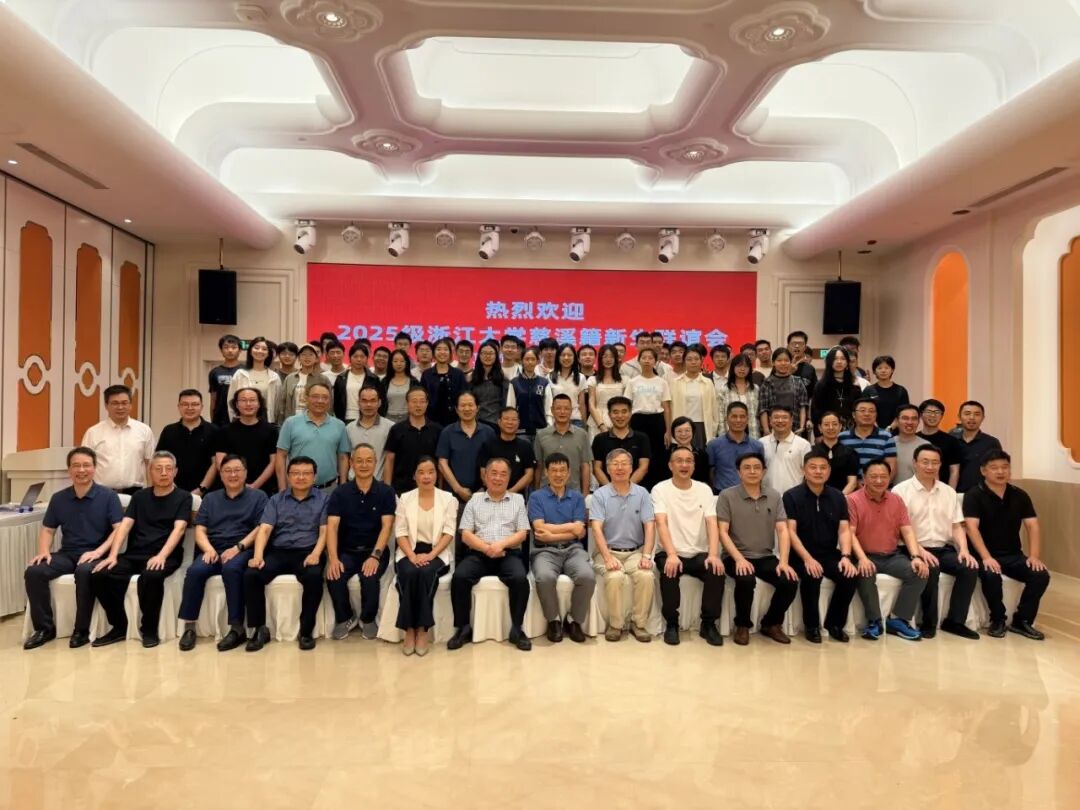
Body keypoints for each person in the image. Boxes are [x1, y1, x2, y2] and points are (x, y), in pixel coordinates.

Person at [23, 447, 123, 650]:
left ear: (95, 468)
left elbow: (119, 529)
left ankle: (81, 631)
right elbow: (48, 529)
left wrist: (98, 552)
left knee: (84, 572)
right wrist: (44, 551)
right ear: (69, 470)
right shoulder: (59, 498)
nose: (81, 470)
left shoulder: (108, 496)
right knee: (34, 572)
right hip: (68, 553)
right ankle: (44, 629)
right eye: (76, 465)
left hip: (97, 554)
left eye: (86, 465)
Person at [89, 451, 193, 648]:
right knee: (100, 574)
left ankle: (149, 629)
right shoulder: (139, 497)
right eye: (158, 469)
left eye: (168, 469)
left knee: (151, 576)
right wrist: (112, 556)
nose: (164, 473)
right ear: (150, 472)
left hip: (166, 555)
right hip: (135, 553)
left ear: (175, 472)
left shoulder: (183, 497)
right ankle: (119, 626)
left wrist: (161, 556)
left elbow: (179, 529)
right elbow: (125, 526)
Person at [176, 455, 268, 652]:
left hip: (242, 548)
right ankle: (189, 628)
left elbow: (261, 528)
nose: (232, 475)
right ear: (221, 474)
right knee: (195, 571)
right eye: (227, 471)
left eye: (237, 470)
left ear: (245, 473)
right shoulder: (210, 498)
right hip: (214, 548)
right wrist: (208, 549)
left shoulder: (258, 497)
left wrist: (238, 548)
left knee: (231, 569)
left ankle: (236, 628)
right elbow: (200, 530)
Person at [893, 445, 981, 640]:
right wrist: (918, 550)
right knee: (930, 568)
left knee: (969, 567)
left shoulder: (949, 492)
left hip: (943, 548)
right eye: (925, 462)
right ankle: (928, 623)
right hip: (912, 548)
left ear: (940, 465)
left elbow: (957, 525)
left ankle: (955, 622)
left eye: (935, 462)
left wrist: (964, 549)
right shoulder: (900, 491)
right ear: (914, 463)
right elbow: (900, 529)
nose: (930, 467)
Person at [243, 456, 329, 651]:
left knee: (314, 577)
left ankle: (306, 631)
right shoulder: (276, 499)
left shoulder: (324, 499)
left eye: (306, 473)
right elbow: (265, 529)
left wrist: (316, 554)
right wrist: (258, 556)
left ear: (314, 477)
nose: (301, 477)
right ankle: (259, 629)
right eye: (296, 473)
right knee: (251, 575)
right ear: (288, 476)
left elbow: (325, 532)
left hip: (308, 551)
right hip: (279, 551)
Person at [963, 449, 1050, 640]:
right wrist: (986, 557)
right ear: (983, 471)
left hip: (1013, 554)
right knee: (991, 575)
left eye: (1005, 467)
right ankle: (998, 620)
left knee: (1040, 575)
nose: (1000, 471)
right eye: (994, 468)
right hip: (983, 555)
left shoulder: (1020, 495)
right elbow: (971, 528)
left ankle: (1022, 620)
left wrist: (1034, 556)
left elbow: (1033, 525)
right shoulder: (974, 495)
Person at [447, 458, 532, 651]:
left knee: (520, 579)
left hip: (508, 553)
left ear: (509, 478)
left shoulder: (518, 500)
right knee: (459, 577)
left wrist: (500, 545)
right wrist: (486, 548)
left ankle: (517, 629)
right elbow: (465, 534)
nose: (498, 478)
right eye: (494, 473)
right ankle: (463, 628)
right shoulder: (475, 500)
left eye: (503, 474)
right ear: (485, 476)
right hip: (478, 553)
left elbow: (522, 533)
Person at [716, 452, 799, 645]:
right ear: (739, 472)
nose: (752, 471)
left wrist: (784, 562)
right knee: (745, 578)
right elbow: (722, 532)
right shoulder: (727, 495)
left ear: (764, 471)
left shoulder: (774, 496)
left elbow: (782, 530)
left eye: (756, 467)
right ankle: (742, 625)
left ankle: (771, 623)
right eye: (747, 468)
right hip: (735, 556)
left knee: (789, 580)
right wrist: (739, 559)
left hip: (765, 556)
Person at [783, 448, 859, 643]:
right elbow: (790, 532)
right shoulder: (791, 496)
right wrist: (808, 559)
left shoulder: (838, 496)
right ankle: (811, 626)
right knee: (812, 575)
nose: (818, 471)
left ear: (829, 471)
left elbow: (844, 530)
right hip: (800, 555)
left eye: (823, 467)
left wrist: (846, 556)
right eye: (813, 467)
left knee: (849, 575)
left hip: (828, 553)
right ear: (803, 470)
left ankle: (834, 624)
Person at [847, 459, 929, 641]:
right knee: (865, 572)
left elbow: (907, 530)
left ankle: (898, 620)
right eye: (873, 476)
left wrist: (916, 556)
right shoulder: (852, 500)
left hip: (892, 556)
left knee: (919, 572)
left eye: (883, 476)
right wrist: (862, 558)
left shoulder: (896, 500)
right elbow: (849, 534)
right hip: (865, 555)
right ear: (864, 478)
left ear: (889, 478)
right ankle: (874, 621)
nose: (879, 481)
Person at [653, 446, 725, 646]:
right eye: (679, 461)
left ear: (694, 466)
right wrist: (671, 554)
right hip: (670, 551)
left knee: (716, 570)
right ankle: (672, 624)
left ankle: (708, 624)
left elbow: (712, 523)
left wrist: (713, 554)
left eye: (689, 461)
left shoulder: (704, 489)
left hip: (699, 552)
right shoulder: (660, 489)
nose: (684, 465)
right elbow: (661, 523)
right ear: (670, 465)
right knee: (669, 570)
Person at [325, 444, 396, 640]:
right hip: (347, 550)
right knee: (334, 576)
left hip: (375, 549)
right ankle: (345, 617)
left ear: (375, 463)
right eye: (359, 461)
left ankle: (368, 619)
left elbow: (387, 527)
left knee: (369, 577)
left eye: (369, 461)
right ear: (351, 464)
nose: (364, 465)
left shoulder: (386, 492)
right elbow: (332, 527)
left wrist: (375, 556)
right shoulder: (340, 493)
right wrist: (333, 558)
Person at [590, 449, 656, 642]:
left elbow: (649, 526)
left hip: (635, 552)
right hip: (607, 551)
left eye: (624, 463)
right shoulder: (600, 495)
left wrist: (646, 556)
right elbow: (596, 529)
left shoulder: (642, 493)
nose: (620, 468)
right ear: (608, 469)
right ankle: (616, 625)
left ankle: (639, 624)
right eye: (615, 464)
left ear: (631, 467)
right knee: (615, 576)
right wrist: (608, 558)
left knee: (646, 575)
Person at [393, 457, 456, 655]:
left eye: (431, 472)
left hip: (437, 551)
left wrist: (430, 555)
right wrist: (412, 556)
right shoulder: (405, 499)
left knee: (425, 573)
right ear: (414, 476)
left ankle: (422, 630)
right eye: (421, 472)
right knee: (409, 573)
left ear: (437, 475)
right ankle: (409, 630)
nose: (426, 476)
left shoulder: (448, 499)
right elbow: (400, 532)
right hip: (408, 550)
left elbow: (449, 532)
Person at [529, 454, 593, 643]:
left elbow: (580, 531)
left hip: (573, 550)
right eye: (554, 470)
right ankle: (554, 620)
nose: (558, 474)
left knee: (587, 577)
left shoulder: (577, 497)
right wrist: (570, 528)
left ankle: (574, 621)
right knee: (544, 577)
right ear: (546, 473)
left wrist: (552, 534)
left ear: (569, 473)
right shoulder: (536, 497)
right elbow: (539, 528)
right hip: (544, 551)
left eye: (562, 470)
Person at [275, 380, 350, 491]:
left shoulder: (339, 425)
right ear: (306, 398)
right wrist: (282, 488)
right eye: (315, 396)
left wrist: (343, 486)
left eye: (325, 397)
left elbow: (343, 457)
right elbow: (281, 456)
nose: (320, 401)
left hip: (329, 490)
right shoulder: (290, 423)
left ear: (330, 401)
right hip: (297, 489)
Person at [81, 384, 155, 495]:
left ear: (130, 405)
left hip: (135, 493)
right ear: (106, 405)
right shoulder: (93, 433)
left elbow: (149, 464)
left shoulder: (144, 431)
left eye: (124, 403)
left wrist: (150, 494)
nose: (120, 407)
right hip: (101, 493)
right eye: (115, 403)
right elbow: (84, 465)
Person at [436, 391, 496, 516]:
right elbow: (442, 463)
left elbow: (495, 463)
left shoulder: (489, 432)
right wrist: (458, 489)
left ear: (477, 408)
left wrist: (486, 485)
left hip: (484, 495)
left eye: (470, 405)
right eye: (463, 405)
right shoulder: (447, 432)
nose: (467, 409)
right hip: (453, 497)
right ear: (456, 409)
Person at [213, 387, 279, 494]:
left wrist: (255, 485)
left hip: (263, 489)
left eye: (252, 400)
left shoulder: (271, 431)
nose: (248, 404)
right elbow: (220, 461)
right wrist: (239, 484)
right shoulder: (225, 431)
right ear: (236, 404)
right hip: (232, 487)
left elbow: (273, 462)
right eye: (243, 400)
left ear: (259, 404)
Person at [155, 389, 219, 499]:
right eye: (185, 404)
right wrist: (172, 487)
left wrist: (201, 489)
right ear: (179, 407)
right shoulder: (169, 431)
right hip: (172, 493)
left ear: (201, 407)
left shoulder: (214, 431)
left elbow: (216, 463)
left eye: (194, 404)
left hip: (207, 494)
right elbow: (159, 461)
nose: (190, 408)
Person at [625, 347, 671, 490]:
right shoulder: (632, 382)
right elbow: (627, 407)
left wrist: (668, 431)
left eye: (650, 358)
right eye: (643, 358)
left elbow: (666, 407)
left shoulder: (662, 382)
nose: (646, 360)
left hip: (657, 421)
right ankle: (638, 488)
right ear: (639, 361)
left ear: (655, 361)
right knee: (638, 454)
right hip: (637, 421)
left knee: (657, 456)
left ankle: (656, 488)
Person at [383, 387, 443, 495]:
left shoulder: (437, 430)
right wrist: (387, 490)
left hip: (430, 487)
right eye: (414, 401)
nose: (418, 405)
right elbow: (389, 460)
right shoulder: (396, 429)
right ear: (407, 404)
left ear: (427, 403)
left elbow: (441, 462)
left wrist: (441, 489)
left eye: (422, 401)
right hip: (402, 489)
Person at [534, 394, 592, 493]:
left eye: (566, 409)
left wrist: (585, 494)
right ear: (552, 410)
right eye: (558, 408)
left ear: (571, 411)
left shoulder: (582, 435)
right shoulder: (541, 435)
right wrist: (537, 492)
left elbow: (585, 466)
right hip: (546, 492)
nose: (562, 412)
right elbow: (539, 466)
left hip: (573, 492)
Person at [591, 396, 650, 487]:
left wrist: (627, 487)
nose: (620, 416)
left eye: (624, 411)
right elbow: (597, 468)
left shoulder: (642, 438)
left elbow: (643, 467)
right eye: (615, 412)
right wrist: (611, 490)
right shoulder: (600, 439)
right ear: (609, 414)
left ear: (630, 413)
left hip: (635, 490)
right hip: (607, 491)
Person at [706, 403, 764, 494]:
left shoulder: (757, 446)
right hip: (721, 494)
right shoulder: (713, 445)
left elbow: (760, 472)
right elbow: (710, 472)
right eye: (734, 416)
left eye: (742, 417)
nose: (738, 420)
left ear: (747, 419)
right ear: (726, 419)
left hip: (750, 494)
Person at [477, 407, 536, 495]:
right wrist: (496, 491)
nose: (510, 422)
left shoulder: (525, 446)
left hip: (516, 495)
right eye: (506, 419)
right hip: (491, 495)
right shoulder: (488, 444)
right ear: (499, 422)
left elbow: (529, 475)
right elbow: (483, 472)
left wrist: (510, 492)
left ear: (518, 422)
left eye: (514, 419)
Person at [669, 345, 718, 448]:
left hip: (702, 426)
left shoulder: (708, 382)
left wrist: (713, 428)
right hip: (682, 427)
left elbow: (714, 408)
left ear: (701, 361)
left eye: (696, 359)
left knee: (700, 455)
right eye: (689, 359)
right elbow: (670, 408)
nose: (693, 362)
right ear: (684, 361)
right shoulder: (675, 383)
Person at [226, 337, 283, 423]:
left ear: (268, 354)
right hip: (242, 421)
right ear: (250, 351)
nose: (260, 351)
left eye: (264, 349)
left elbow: (278, 405)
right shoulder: (240, 374)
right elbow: (231, 401)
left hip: (266, 422)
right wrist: (234, 421)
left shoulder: (274, 377)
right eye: (256, 348)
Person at [838, 398, 897, 480]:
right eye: (862, 410)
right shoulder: (842, 437)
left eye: (871, 411)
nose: (867, 414)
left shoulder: (886, 437)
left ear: (876, 415)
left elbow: (892, 468)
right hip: (848, 485)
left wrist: (878, 485)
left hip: (877, 485)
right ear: (854, 415)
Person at [952, 401, 1002, 493]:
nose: (972, 417)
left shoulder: (992, 443)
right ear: (959, 416)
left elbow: (998, 471)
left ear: (983, 418)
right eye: (967, 414)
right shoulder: (951, 441)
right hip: (953, 494)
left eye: (977, 414)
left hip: (982, 495)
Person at [760, 406, 812, 495]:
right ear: (770, 420)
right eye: (776, 417)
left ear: (791, 420)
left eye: (784, 417)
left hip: (794, 497)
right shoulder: (761, 443)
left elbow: (809, 474)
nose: (780, 420)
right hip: (767, 497)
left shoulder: (803, 445)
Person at [757, 348, 809, 436]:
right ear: (773, 363)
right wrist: (766, 430)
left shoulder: (798, 382)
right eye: (779, 360)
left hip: (795, 429)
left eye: (786, 360)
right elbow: (763, 409)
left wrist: (801, 426)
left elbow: (803, 406)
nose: (783, 363)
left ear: (790, 362)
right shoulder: (767, 383)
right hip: (773, 430)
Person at [346, 387, 394, 481]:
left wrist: (387, 486)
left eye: (373, 400)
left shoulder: (390, 427)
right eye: (364, 401)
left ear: (379, 403)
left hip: (379, 483)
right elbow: (345, 458)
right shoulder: (349, 428)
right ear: (358, 403)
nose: (368, 404)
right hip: (353, 483)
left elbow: (390, 459)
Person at [809, 346, 862, 429]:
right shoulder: (821, 385)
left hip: (850, 431)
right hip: (828, 430)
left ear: (847, 362)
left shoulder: (855, 386)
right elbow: (815, 412)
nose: (839, 362)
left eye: (843, 359)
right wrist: (819, 433)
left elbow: (858, 411)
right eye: (835, 359)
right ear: (829, 362)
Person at [420, 338, 468, 427]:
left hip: (455, 421)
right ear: (433, 353)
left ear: (450, 353)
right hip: (431, 421)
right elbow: (423, 398)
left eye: (445, 349)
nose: (442, 352)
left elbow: (464, 396)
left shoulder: (458, 374)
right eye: (438, 349)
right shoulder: (427, 374)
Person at [508, 346, 553, 438]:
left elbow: (548, 408)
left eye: (533, 359)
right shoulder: (514, 383)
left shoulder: (544, 382)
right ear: (522, 361)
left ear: (537, 361)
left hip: (541, 431)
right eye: (527, 359)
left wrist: (549, 426)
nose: (530, 362)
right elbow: (510, 407)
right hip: (520, 431)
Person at [334, 343, 384, 423]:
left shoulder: (373, 379)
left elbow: (380, 401)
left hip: (367, 418)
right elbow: (336, 402)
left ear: (367, 358)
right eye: (355, 356)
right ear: (350, 358)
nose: (359, 359)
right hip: (345, 419)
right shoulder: (341, 378)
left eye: (362, 356)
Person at [917, 399, 961, 487]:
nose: (933, 415)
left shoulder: (951, 441)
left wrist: (950, 492)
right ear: (921, 415)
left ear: (942, 415)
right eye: (929, 412)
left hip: (942, 489)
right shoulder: (915, 438)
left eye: (937, 412)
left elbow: (954, 471)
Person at [716, 353, 760, 439]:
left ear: (750, 369)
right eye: (739, 366)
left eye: (746, 366)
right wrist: (722, 436)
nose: (742, 369)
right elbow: (720, 415)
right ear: (733, 367)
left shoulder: (755, 389)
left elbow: (758, 414)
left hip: (752, 433)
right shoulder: (724, 389)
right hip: (729, 435)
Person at [586, 344, 625, 438]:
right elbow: (591, 404)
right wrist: (601, 426)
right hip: (597, 422)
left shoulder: (624, 380)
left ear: (616, 359)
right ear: (600, 359)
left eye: (611, 356)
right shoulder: (593, 380)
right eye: (605, 356)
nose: (608, 359)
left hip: (619, 421)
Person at [278, 343, 326, 420]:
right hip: (293, 420)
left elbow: (328, 403)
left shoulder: (323, 379)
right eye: (303, 355)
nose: (307, 357)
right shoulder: (290, 378)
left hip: (315, 420)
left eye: (311, 354)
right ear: (298, 358)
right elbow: (282, 402)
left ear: (316, 359)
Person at [814, 412, 858, 494]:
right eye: (826, 424)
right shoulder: (812, 452)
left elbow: (852, 482)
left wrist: (839, 497)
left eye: (834, 424)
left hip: (843, 497)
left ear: (840, 427)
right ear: (820, 428)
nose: (831, 427)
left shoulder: (850, 453)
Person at [469, 340, 510, 428]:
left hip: (496, 424)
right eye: (484, 353)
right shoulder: (472, 378)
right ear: (479, 355)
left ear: (496, 356)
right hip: (475, 424)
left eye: (491, 353)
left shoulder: (503, 378)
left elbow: (505, 403)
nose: (487, 356)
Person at [548, 343, 589, 427]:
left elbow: (582, 404)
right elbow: (548, 403)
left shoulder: (581, 378)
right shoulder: (549, 377)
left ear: (574, 358)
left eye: (569, 355)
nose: (566, 358)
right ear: (558, 357)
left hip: (575, 420)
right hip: (555, 421)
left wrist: (584, 425)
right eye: (563, 355)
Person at [864, 355, 909, 430]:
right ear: (874, 371)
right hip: (872, 430)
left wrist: (890, 428)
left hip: (896, 432)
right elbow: (865, 412)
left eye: (887, 368)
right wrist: (877, 430)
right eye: (879, 368)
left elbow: (903, 412)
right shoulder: (868, 390)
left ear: (892, 370)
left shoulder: (901, 391)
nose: (883, 371)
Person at [663, 417, 711, 486]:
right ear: (673, 434)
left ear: (693, 432)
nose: (683, 434)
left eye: (687, 430)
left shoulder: (702, 455)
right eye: (679, 431)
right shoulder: (666, 454)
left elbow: (704, 480)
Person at [208, 334, 242, 427]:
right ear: (221, 350)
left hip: (240, 417)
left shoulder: (246, 371)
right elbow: (213, 400)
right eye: (226, 347)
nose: (230, 350)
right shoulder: (215, 372)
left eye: (234, 347)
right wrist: (213, 423)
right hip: (220, 420)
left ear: (240, 350)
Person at [892, 404, 923, 484]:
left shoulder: (925, 446)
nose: (910, 422)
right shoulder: (888, 444)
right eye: (905, 418)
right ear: (897, 421)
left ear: (919, 422)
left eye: (914, 419)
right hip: (890, 491)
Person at [384, 349, 416, 423]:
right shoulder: (385, 382)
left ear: (407, 363)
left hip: (408, 419)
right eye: (395, 361)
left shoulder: (414, 382)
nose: (399, 364)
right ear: (390, 363)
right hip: (388, 418)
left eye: (402, 361)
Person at [787, 330, 818, 399]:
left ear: (805, 348)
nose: (797, 346)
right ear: (788, 346)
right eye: (794, 343)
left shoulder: (810, 369)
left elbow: (814, 394)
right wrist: (789, 372)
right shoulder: (781, 365)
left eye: (800, 344)